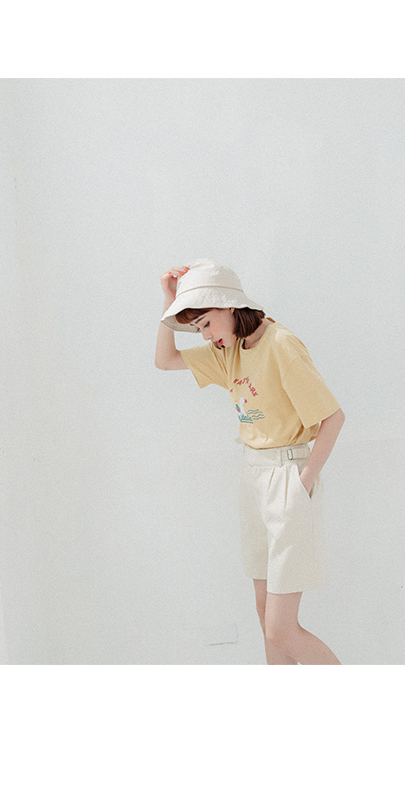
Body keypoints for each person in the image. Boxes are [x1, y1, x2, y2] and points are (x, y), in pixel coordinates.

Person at [155, 259, 345, 665]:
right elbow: (164, 359)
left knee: (281, 627)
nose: (206, 336)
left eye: (206, 323)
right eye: (198, 329)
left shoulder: (281, 344)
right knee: (264, 615)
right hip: (253, 477)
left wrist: (303, 482)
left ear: (229, 306)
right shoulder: (228, 353)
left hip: (288, 475)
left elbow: (333, 417)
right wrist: (169, 300)